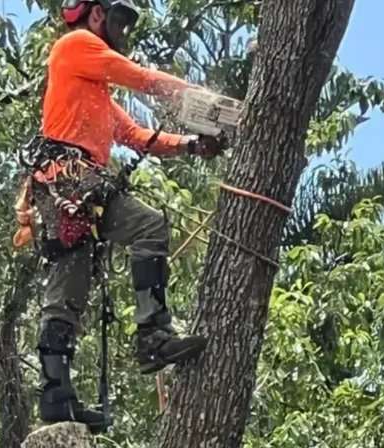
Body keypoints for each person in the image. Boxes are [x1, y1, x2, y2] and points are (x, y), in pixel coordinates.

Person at [12, 0, 225, 432]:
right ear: (96, 14)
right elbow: (140, 77)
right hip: (71, 180)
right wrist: (203, 102)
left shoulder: (93, 92)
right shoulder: (76, 44)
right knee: (149, 226)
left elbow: (136, 135)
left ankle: (56, 396)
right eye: (118, 21)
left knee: (67, 292)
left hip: (67, 189)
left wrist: (190, 144)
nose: (121, 32)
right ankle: (154, 335)